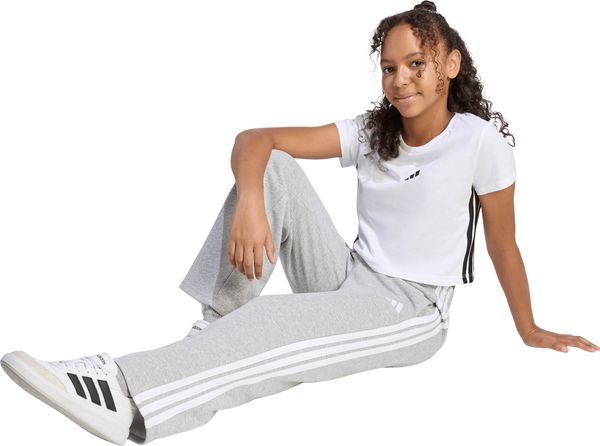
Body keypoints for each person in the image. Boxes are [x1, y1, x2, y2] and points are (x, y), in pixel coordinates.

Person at [2, 1, 598, 445]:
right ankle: (213, 333)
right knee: (274, 167)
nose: (400, 79)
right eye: (389, 67)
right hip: (348, 274)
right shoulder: (373, 131)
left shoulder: (480, 143)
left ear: (450, 64)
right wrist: (253, 199)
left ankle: (129, 396)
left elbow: (503, 245)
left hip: (410, 310)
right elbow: (255, 138)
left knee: (269, 322)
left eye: (417, 63)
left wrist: (529, 328)